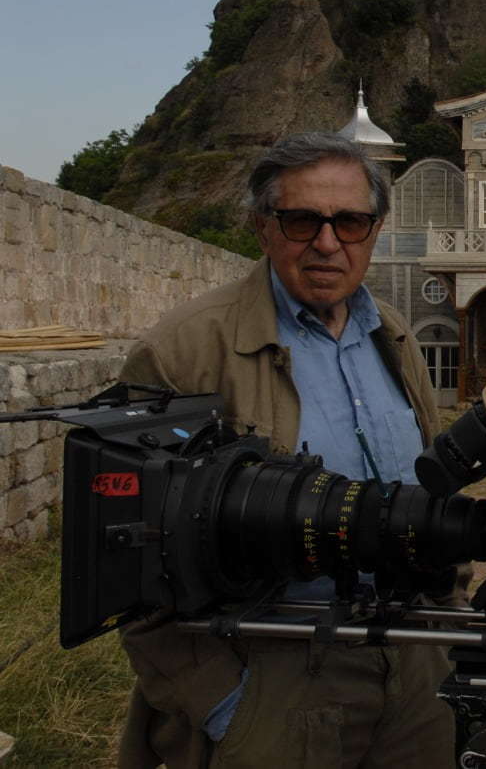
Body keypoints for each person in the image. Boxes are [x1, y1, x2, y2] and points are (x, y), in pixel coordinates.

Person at [115, 133, 457, 769]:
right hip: (273, 668)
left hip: (413, 666)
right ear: (262, 227)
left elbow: (432, 488)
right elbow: (120, 554)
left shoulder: (397, 337)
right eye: (303, 220)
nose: (328, 243)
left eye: (350, 221)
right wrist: (225, 701)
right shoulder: (184, 351)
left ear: (375, 230)